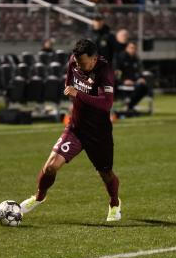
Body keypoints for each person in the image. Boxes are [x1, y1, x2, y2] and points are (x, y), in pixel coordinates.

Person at [20, 39, 122, 221]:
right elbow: (69, 82)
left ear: (94, 59)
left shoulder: (105, 71)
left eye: (83, 64)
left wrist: (79, 95)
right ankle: (38, 197)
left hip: (98, 133)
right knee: (50, 166)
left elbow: (107, 104)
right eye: (77, 63)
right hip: (76, 128)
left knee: (105, 173)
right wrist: (73, 94)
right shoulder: (74, 61)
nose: (80, 67)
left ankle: (114, 203)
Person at [116, 41, 148, 111]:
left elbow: (140, 71)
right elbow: (116, 72)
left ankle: (130, 105)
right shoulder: (121, 58)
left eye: (134, 48)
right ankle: (129, 105)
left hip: (135, 82)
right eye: (131, 48)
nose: (133, 50)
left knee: (145, 87)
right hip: (124, 82)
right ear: (126, 48)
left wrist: (141, 78)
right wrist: (123, 81)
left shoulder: (136, 59)